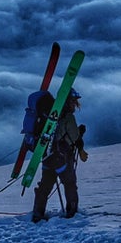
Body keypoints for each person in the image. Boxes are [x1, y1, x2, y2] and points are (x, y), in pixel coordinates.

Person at [31, 89, 88, 223]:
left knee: (45, 186)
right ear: (68, 102)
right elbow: (74, 137)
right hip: (62, 158)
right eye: (74, 102)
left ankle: (37, 214)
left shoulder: (50, 115)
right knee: (69, 183)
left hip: (47, 157)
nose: (75, 105)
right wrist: (80, 133)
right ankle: (72, 213)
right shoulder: (67, 116)